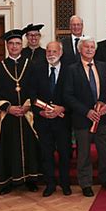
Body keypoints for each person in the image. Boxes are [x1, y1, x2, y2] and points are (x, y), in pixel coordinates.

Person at [0, 29, 41, 195]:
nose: (14, 46)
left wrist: (27, 105)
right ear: (7, 46)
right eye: (11, 43)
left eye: (18, 43)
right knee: (8, 148)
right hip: (8, 116)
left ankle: (31, 180)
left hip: (27, 114)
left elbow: (35, 88)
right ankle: (7, 182)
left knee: (30, 146)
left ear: (22, 45)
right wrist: (8, 107)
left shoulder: (31, 65)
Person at [64, 37, 106, 197]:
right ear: (80, 49)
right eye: (86, 47)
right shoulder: (71, 69)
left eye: (92, 47)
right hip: (82, 118)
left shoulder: (103, 67)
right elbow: (68, 96)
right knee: (84, 153)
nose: (90, 49)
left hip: (102, 117)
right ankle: (85, 183)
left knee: (105, 151)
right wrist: (86, 111)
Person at [30, 41, 72, 197]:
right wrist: (40, 112)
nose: (51, 54)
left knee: (64, 153)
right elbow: (32, 93)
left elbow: (73, 94)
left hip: (63, 120)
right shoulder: (37, 69)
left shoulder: (69, 70)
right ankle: (50, 184)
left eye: (54, 51)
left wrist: (63, 108)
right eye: (48, 51)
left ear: (60, 53)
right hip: (43, 120)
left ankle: (65, 183)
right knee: (46, 154)